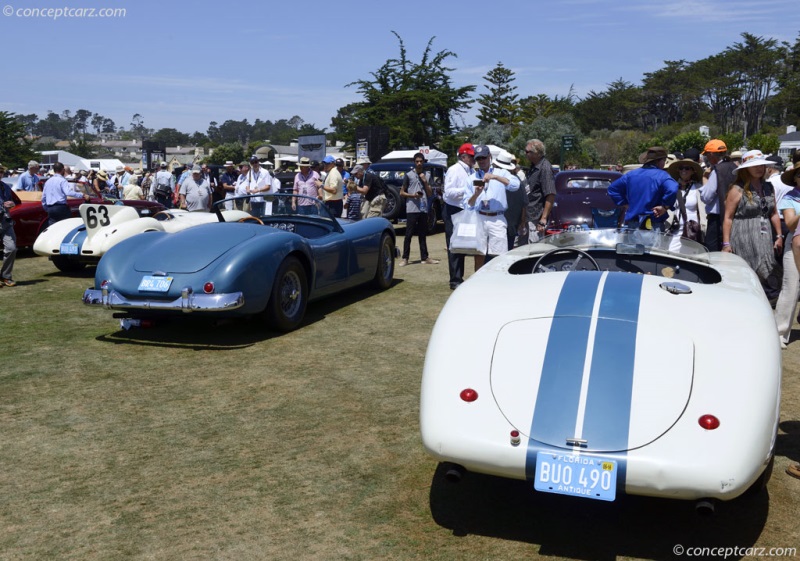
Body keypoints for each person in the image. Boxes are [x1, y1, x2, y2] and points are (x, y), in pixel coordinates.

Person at [722, 150, 783, 291]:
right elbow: (728, 217)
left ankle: (768, 297)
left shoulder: (768, 187)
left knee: (768, 265)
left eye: (761, 165)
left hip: (765, 234)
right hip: (743, 235)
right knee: (748, 269)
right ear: (745, 169)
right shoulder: (737, 189)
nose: (759, 168)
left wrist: (779, 236)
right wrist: (726, 243)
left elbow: (773, 213)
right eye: (754, 165)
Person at [464, 146, 520, 270]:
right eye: (478, 158)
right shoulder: (471, 178)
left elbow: (515, 185)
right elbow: (467, 205)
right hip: (479, 217)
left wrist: (495, 177)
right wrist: (476, 194)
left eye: (484, 157)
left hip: (497, 218)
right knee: (479, 253)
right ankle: (478, 282)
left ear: (490, 157)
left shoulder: (501, 172)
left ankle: (498, 282)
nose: (482, 160)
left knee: (499, 254)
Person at [608, 146, 679, 231]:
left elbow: (612, 189)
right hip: (653, 224)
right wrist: (665, 207)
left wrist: (625, 204)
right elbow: (673, 189)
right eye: (664, 161)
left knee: (633, 244)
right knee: (655, 245)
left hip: (633, 224)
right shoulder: (662, 176)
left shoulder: (631, 175)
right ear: (659, 161)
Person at [399, 153, 439, 267]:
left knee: (422, 234)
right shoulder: (409, 175)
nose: (419, 163)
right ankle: (405, 258)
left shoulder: (427, 174)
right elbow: (401, 192)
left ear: (424, 162)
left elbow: (430, 193)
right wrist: (413, 195)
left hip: (423, 208)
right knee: (409, 234)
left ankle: (425, 257)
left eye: (421, 161)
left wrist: (425, 181)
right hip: (412, 208)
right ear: (414, 162)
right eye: (417, 161)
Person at [443, 143, 475, 289]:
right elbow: (448, 192)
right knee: (454, 245)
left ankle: (459, 277)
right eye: (472, 156)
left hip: (463, 210)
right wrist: (467, 189)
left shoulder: (470, 170)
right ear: (464, 156)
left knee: (462, 245)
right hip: (453, 209)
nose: (474, 159)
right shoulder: (454, 170)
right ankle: (455, 279)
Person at [776, 161, 800, 348]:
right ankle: (780, 332)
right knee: (791, 287)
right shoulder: (790, 198)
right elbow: (790, 224)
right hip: (795, 243)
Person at [699, 139, 738, 250]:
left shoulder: (717, 170)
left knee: (712, 253)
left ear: (711, 154)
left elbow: (706, 197)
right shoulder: (735, 168)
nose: (706, 158)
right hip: (733, 216)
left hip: (717, 219)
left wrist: (705, 178)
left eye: (706, 154)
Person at [664, 158, 704, 248]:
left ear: (693, 171)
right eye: (681, 168)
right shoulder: (672, 187)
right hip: (673, 228)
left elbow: (703, 211)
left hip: (691, 230)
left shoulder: (698, 188)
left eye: (687, 168)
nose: (683, 171)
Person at [523, 139, 556, 242]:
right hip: (528, 215)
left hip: (537, 216)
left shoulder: (545, 167)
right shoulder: (533, 166)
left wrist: (543, 219)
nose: (526, 154)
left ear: (537, 153)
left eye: (528, 151)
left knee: (534, 248)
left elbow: (550, 194)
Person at [504, 152, 528, 250]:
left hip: (508, 223)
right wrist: (522, 222)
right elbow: (524, 203)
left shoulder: (516, 181)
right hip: (511, 223)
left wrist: (522, 222)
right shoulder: (518, 180)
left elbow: (524, 203)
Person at [0, 164, 18, 286]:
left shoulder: (5, 187)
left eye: (1, 172)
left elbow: (15, 201)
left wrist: (12, 204)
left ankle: (5, 276)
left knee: (11, 248)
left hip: (6, 221)